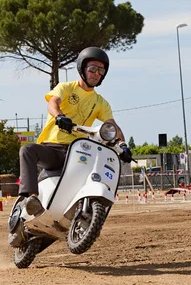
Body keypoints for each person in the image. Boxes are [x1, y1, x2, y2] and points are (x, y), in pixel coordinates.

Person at [16, 47, 132, 224]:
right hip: (53, 149)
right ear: (82, 68)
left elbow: (112, 126)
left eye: (101, 71)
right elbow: (53, 103)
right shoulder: (66, 88)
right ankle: (31, 199)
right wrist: (59, 116)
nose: (96, 74)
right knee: (27, 150)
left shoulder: (101, 102)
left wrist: (123, 145)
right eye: (92, 68)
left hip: (79, 151)